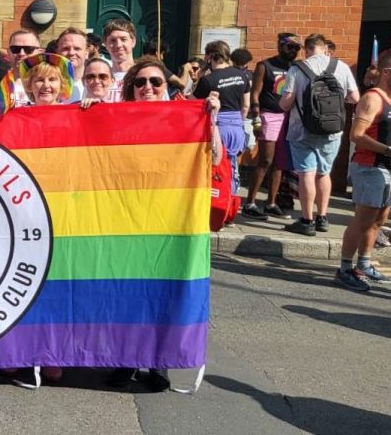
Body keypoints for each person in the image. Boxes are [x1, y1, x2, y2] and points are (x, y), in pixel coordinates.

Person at [108, 55, 222, 391]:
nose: (148, 87)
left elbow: (215, 157)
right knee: (127, 292)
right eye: (140, 82)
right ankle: (125, 360)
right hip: (126, 218)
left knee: (162, 291)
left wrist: (212, 120)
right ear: (130, 87)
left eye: (155, 82)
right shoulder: (115, 117)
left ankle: (160, 362)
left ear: (165, 87)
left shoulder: (183, 116)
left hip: (168, 219)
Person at [336, 52, 391, 291]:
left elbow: (386, 134)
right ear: (387, 72)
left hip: (387, 167)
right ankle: (345, 269)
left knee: (379, 220)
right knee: (362, 221)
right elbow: (356, 135)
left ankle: (364, 265)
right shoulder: (372, 98)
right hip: (369, 167)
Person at [279, 34, 360, 236]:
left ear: (306, 50)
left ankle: (306, 220)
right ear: (325, 49)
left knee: (306, 173)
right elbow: (354, 97)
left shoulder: (297, 68)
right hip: (332, 129)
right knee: (323, 173)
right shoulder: (341, 66)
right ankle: (322, 218)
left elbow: (286, 103)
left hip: (301, 130)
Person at [242, 34, 300, 219]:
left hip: (288, 117)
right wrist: (256, 118)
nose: (293, 51)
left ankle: (271, 203)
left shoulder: (297, 68)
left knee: (279, 162)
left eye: (296, 48)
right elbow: (255, 93)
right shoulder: (265, 66)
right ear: (280, 46)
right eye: (289, 46)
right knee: (265, 160)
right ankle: (250, 202)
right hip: (269, 115)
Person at [194, 40, 250, 196]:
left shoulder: (208, 80)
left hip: (218, 126)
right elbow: (246, 105)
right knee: (232, 165)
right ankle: (230, 197)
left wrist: (199, 78)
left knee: (217, 167)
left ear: (210, 56)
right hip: (237, 126)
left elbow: (193, 103)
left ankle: (218, 199)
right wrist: (239, 122)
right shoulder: (242, 75)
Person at [104, 19, 138, 102]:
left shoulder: (145, 75)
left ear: (133, 41)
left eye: (123, 39)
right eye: (113, 40)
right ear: (105, 44)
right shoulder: (98, 77)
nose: (118, 45)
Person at [55, 28, 90, 102]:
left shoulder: (96, 84)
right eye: (66, 48)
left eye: (77, 48)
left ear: (86, 53)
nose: (71, 53)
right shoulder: (48, 84)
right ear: (57, 52)